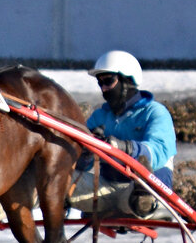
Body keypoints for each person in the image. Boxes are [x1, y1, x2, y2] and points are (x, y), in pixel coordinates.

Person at [69, 50, 177, 220]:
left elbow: (158, 152)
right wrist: (86, 151)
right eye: (100, 82)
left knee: (137, 192)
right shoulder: (99, 116)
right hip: (106, 187)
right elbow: (80, 164)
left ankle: (144, 202)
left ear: (128, 80)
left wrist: (121, 147)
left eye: (108, 81)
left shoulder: (155, 112)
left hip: (142, 187)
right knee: (57, 179)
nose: (103, 88)